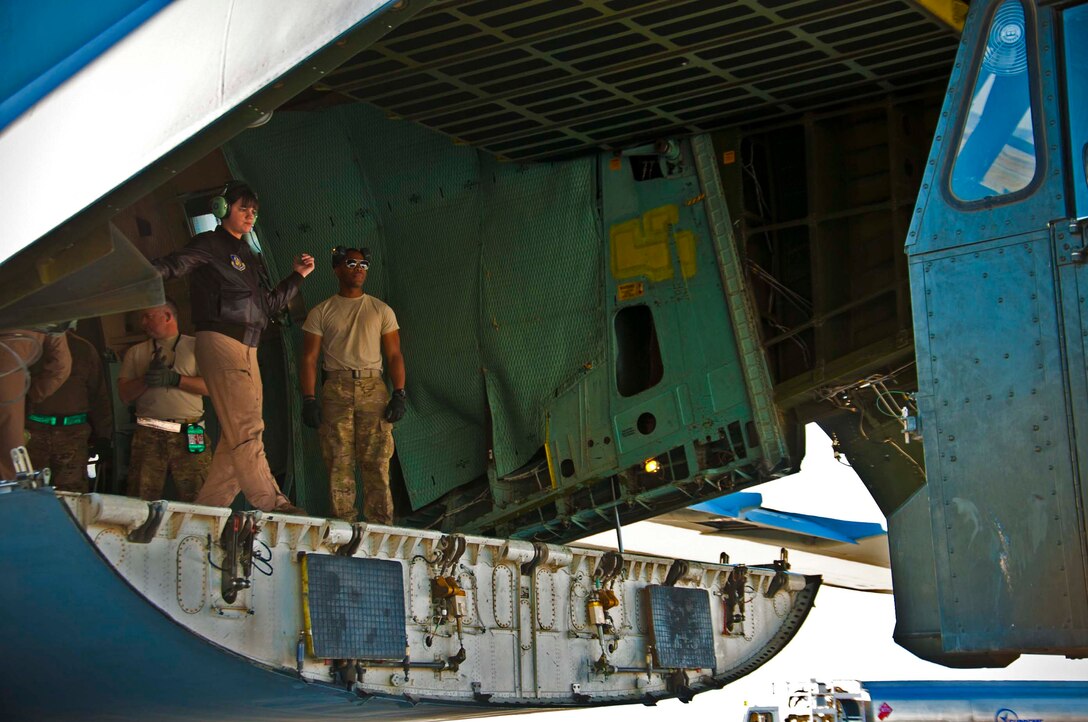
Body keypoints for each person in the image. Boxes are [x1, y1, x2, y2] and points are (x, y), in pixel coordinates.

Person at [152, 182, 314, 514]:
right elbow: (174, 264)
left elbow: (268, 305)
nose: (250, 216)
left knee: (235, 436)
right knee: (247, 429)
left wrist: (296, 277)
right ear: (222, 209)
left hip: (249, 347)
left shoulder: (250, 257)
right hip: (221, 341)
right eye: (243, 208)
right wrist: (144, 276)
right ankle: (273, 503)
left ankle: (205, 511)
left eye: (254, 211)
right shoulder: (209, 244)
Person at [299, 247, 406, 524]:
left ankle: (381, 529)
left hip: (373, 387)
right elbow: (309, 359)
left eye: (363, 264)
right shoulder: (321, 311)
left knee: (377, 463)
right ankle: (344, 529)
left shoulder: (380, 309)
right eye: (351, 263)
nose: (359, 268)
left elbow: (394, 354)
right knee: (338, 463)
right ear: (337, 269)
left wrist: (399, 393)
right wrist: (309, 399)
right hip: (336, 389)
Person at [117, 300, 211, 502]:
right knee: (141, 496)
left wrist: (175, 379)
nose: (143, 322)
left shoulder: (195, 346)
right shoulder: (136, 352)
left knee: (199, 495)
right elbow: (124, 395)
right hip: (149, 433)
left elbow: (211, 387)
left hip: (188, 432)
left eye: (148, 316)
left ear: (167, 316)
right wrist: (146, 379)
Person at [25, 329, 112, 493]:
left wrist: (104, 436)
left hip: (73, 435)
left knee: (72, 495)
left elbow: (98, 395)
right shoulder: (29, 346)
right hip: (33, 432)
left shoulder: (83, 349)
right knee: (30, 492)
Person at [0, 330, 71, 480]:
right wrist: (32, 394)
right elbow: (61, 365)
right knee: (8, 470)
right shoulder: (44, 310)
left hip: (10, 370)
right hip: (9, 373)